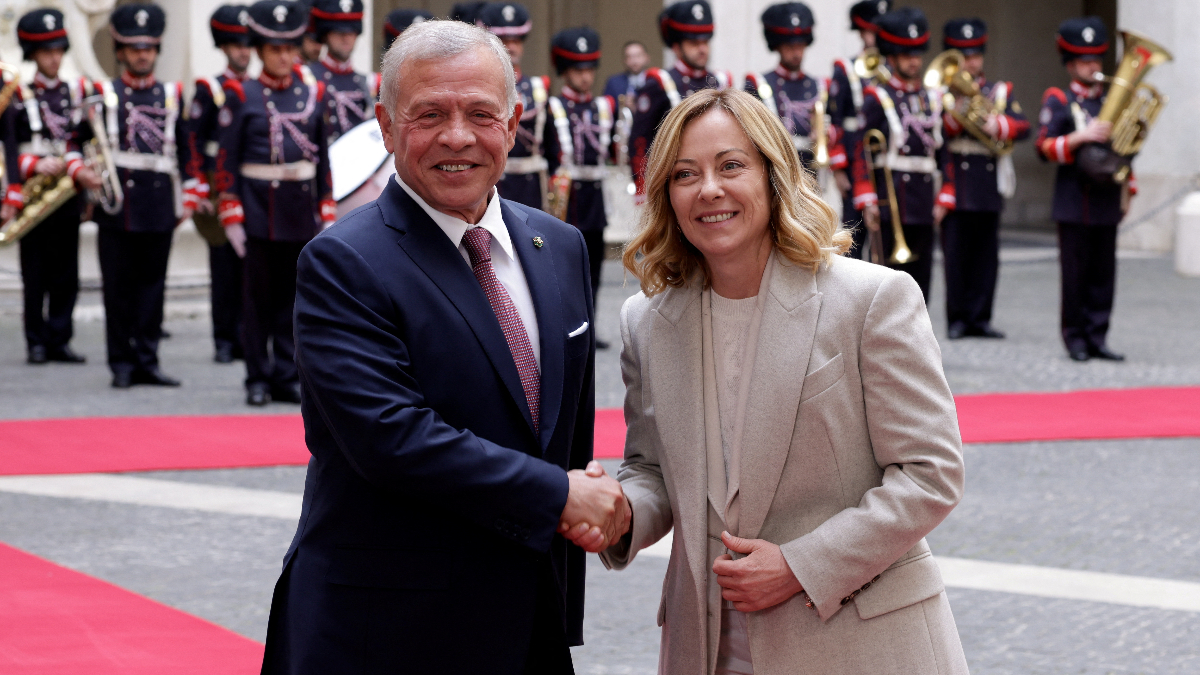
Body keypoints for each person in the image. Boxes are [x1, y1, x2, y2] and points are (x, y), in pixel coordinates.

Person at [259, 18, 628, 675]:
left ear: (513, 124)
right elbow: (391, 438)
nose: (457, 136)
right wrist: (559, 494)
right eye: (430, 114)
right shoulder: (343, 261)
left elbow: (562, 434)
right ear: (386, 125)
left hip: (527, 622)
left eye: (480, 113)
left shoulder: (559, 246)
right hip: (385, 633)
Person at [598, 87, 967, 674]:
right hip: (707, 647)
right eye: (685, 174)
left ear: (773, 176)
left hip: (857, 646)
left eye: (731, 166)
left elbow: (931, 473)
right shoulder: (645, 322)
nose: (708, 189)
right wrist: (618, 515)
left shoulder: (871, 299)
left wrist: (801, 565)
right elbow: (652, 469)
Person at [215, 0, 337, 406]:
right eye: (274, 49)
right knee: (256, 302)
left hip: (298, 210)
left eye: (289, 48)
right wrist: (231, 212)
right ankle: (256, 377)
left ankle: (286, 374)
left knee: (293, 300)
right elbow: (226, 159)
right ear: (260, 50)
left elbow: (322, 159)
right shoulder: (241, 94)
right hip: (257, 211)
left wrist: (326, 206)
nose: (284, 57)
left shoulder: (313, 93)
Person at [94, 3, 196, 388]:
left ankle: (148, 361)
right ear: (120, 51)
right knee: (117, 289)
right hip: (117, 206)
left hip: (157, 204)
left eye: (149, 48)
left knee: (153, 289)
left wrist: (190, 193)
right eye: (135, 48)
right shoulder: (104, 94)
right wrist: (82, 171)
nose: (142, 55)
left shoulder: (170, 95)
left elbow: (186, 149)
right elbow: (78, 142)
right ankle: (121, 363)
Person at [1, 7, 101, 365]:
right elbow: (8, 148)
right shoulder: (18, 95)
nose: (54, 58)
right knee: (35, 274)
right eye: (46, 52)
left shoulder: (76, 92)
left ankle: (60, 338)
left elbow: (86, 141)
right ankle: (36, 342)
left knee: (67, 272)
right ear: (33, 54)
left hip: (68, 193)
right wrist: (32, 165)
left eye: (58, 50)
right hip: (35, 193)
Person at [1036, 17, 1130, 363]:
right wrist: (1081, 137)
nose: (1093, 67)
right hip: (1073, 200)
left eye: (1096, 60)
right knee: (1074, 275)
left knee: (1104, 273)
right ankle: (1075, 337)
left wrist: (1128, 189)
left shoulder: (1110, 102)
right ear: (1071, 64)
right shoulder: (1059, 100)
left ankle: (1098, 336)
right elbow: (1044, 147)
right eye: (1085, 61)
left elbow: (1125, 150)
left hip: (1106, 198)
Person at [851, 7, 952, 301]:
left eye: (917, 54)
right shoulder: (878, 97)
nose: (913, 61)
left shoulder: (932, 98)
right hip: (890, 197)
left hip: (924, 199)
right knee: (886, 282)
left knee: (922, 279)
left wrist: (946, 193)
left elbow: (943, 152)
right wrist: (867, 196)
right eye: (906, 54)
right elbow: (860, 150)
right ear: (892, 57)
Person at [939, 18, 1030, 340]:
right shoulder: (941, 94)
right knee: (956, 255)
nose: (970, 62)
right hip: (957, 181)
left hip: (987, 182)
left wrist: (1000, 126)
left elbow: (1023, 126)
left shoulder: (998, 91)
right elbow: (936, 134)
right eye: (964, 56)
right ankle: (957, 319)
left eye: (975, 55)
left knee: (986, 256)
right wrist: (953, 112)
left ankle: (981, 317)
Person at [186, 4, 251, 364]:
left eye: (247, 44)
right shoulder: (210, 88)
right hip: (217, 186)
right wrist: (197, 186)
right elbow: (193, 141)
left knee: (250, 270)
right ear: (223, 47)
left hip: (250, 187)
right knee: (224, 267)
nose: (243, 51)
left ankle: (246, 338)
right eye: (236, 44)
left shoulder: (255, 88)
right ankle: (224, 340)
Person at [547, 26, 613, 348]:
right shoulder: (553, 106)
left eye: (589, 69)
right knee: (563, 267)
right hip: (566, 198)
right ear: (564, 70)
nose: (585, 77)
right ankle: (564, 326)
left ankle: (590, 325)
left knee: (594, 267)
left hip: (595, 198)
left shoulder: (603, 107)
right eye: (577, 69)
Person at [627, 0, 732, 200]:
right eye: (694, 43)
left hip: (718, 180)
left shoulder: (721, 81)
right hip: (678, 181)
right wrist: (643, 190)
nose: (702, 49)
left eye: (705, 42)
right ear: (676, 47)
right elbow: (641, 140)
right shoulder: (660, 82)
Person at [828, 0, 891, 257]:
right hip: (855, 162)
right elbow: (835, 121)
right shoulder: (846, 68)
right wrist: (838, 169)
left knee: (884, 237)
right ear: (861, 32)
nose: (874, 37)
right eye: (871, 32)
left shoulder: (893, 67)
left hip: (886, 163)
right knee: (854, 236)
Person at [477, 2, 551, 210]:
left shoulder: (538, 87)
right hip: (494, 182)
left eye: (516, 40)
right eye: (504, 41)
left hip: (531, 185)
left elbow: (550, 143)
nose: (511, 47)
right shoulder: (480, 88)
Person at [743, 2, 829, 173]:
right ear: (778, 46)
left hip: (813, 170)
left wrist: (825, 134)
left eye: (800, 46)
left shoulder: (820, 85)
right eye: (790, 46)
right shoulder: (758, 83)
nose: (796, 53)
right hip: (777, 170)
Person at [308, 0, 376, 143]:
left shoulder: (368, 82)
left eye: (351, 32)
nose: (346, 38)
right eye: (339, 32)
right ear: (326, 34)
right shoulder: (308, 77)